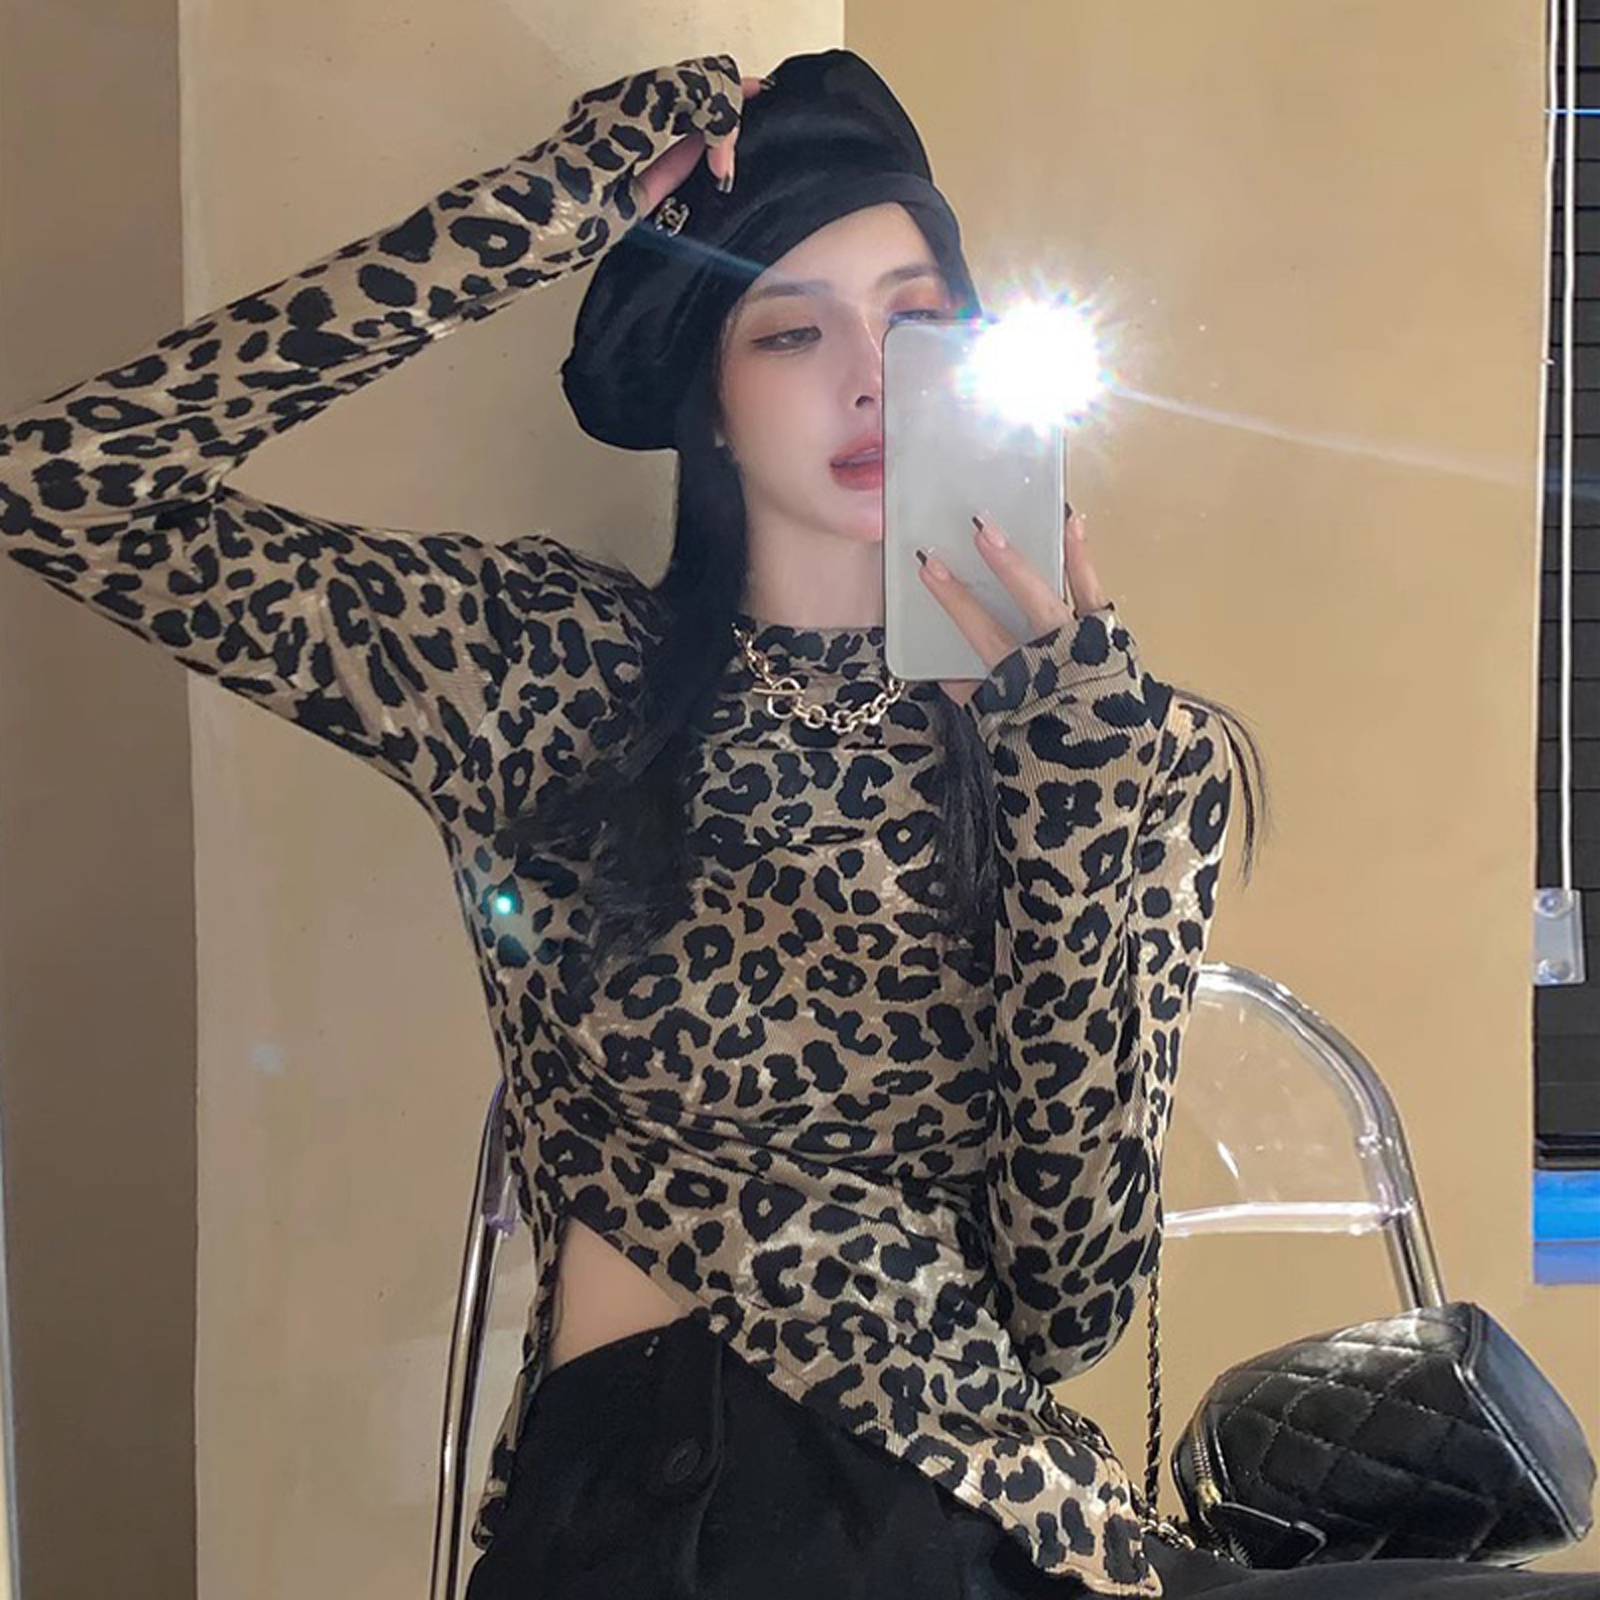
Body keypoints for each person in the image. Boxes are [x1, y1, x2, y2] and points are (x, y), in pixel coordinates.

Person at [0, 43, 1589, 1600]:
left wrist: (1067, 795)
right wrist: (548, 205)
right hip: (665, 1498)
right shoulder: (546, 672)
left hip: (1010, 1513)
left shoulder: (1120, 747)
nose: (867, 377)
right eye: (790, 329)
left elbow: (1072, 1306)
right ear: (708, 391)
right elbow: (64, 487)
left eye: (918, 322)